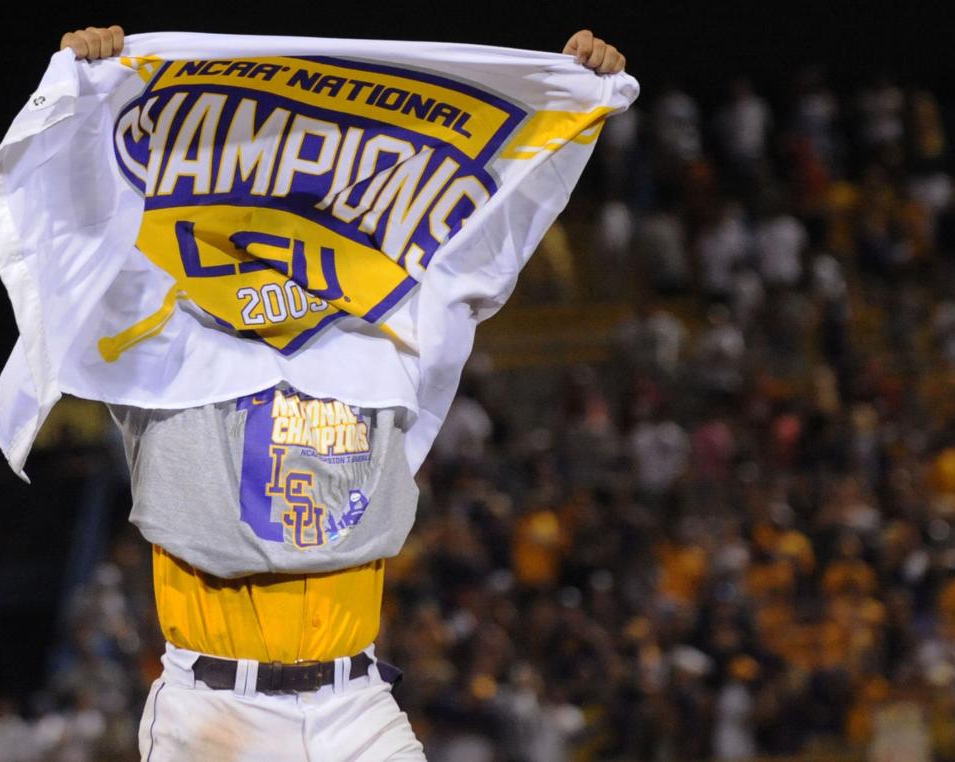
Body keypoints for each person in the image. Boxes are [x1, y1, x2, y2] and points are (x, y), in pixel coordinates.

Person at [56, 24, 628, 761]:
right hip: (214, 717)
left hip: (355, 706)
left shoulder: (382, 344)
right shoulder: (168, 344)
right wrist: (83, 101)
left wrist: (573, 110)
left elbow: (487, 247)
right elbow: (80, 245)